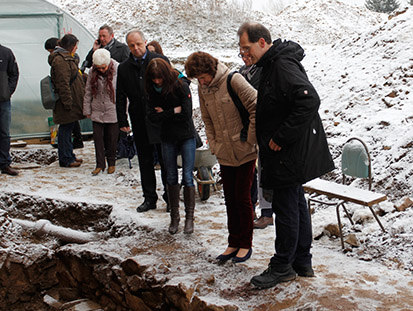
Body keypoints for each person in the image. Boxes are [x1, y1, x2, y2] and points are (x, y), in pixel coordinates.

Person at [237, 22, 335, 288]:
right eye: (241, 49)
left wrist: (281, 136)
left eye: (247, 48)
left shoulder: (281, 65)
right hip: (287, 153)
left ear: (261, 42)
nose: (245, 54)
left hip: (286, 152)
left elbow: (309, 100)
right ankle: (302, 261)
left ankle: (282, 265)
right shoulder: (272, 64)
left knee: (286, 207)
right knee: (296, 204)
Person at [185, 51, 257, 263]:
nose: (202, 82)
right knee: (230, 199)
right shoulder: (202, 87)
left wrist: (251, 139)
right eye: (198, 79)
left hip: (244, 150)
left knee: (243, 198)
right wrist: (214, 144)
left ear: (210, 70)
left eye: (203, 77)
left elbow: (256, 106)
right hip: (224, 151)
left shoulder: (233, 80)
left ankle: (246, 244)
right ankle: (233, 242)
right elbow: (206, 119)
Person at [116, 29, 169, 213]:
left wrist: (170, 112)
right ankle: (149, 198)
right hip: (138, 118)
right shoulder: (124, 67)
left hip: (160, 119)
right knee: (145, 160)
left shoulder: (159, 61)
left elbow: (172, 87)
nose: (136, 48)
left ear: (145, 42)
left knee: (165, 159)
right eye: (132, 45)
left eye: (139, 44)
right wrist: (122, 119)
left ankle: (170, 197)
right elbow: (120, 95)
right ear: (128, 47)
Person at [145, 58, 197, 234]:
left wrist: (165, 112)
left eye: (160, 78)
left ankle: (189, 218)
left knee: (188, 176)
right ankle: (174, 217)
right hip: (167, 136)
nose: (157, 82)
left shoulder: (181, 85)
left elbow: (186, 114)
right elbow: (152, 116)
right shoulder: (151, 89)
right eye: (154, 79)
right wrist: (174, 110)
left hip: (186, 135)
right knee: (171, 176)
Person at [239, 52, 274, 230]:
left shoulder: (263, 71)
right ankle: (250, 208)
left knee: (263, 171)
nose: (245, 59)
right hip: (248, 128)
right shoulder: (241, 73)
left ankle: (267, 213)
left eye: (247, 55)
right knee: (250, 171)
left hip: (264, 126)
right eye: (241, 55)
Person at [49, 34, 85, 168]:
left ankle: (70, 155)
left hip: (71, 100)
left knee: (68, 128)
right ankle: (66, 159)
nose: (76, 49)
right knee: (65, 130)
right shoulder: (60, 61)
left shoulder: (65, 58)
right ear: (70, 46)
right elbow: (62, 83)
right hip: (67, 102)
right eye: (75, 46)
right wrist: (68, 102)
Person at [83, 49, 119, 175]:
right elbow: (88, 91)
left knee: (112, 139)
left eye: (104, 68)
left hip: (112, 109)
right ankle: (100, 164)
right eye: (99, 68)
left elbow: (123, 94)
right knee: (98, 139)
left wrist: (124, 112)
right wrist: (87, 109)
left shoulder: (118, 69)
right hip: (97, 109)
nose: (102, 70)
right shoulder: (92, 71)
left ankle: (112, 163)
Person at [0, 44, 19, 176]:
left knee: (4, 133)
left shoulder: (6, 53)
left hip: (3, 101)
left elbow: (14, 74)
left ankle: (4, 163)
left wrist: (7, 91)